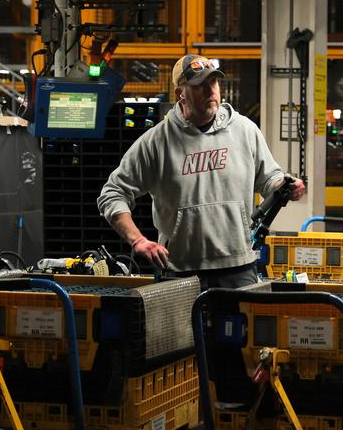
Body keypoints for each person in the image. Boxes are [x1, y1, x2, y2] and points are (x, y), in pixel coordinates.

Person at [98, 54, 305, 287]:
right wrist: (137, 241)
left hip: (239, 267)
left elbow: (270, 179)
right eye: (200, 86)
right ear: (180, 94)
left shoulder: (245, 130)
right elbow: (113, 193)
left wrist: (285, 185)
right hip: (179, 271)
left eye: (213, 83)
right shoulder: (156, 142)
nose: (210, 90)